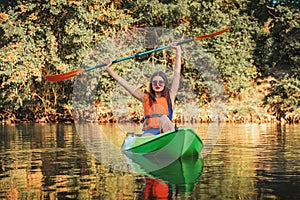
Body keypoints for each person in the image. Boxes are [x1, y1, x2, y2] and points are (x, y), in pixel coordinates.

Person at [105, 43, 182, 136]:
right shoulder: (144, 97)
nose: (157, 84)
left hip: (165, 131)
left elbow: (177, 74)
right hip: (150, 133)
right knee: (148, 135)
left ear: (165, 84)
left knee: (164, 118)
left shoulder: (170, 95)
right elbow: (124, 83)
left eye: (161, 82)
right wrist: (109, 70)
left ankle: (171, 139)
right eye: (154, 82)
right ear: (151, 84)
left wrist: (178, 51)